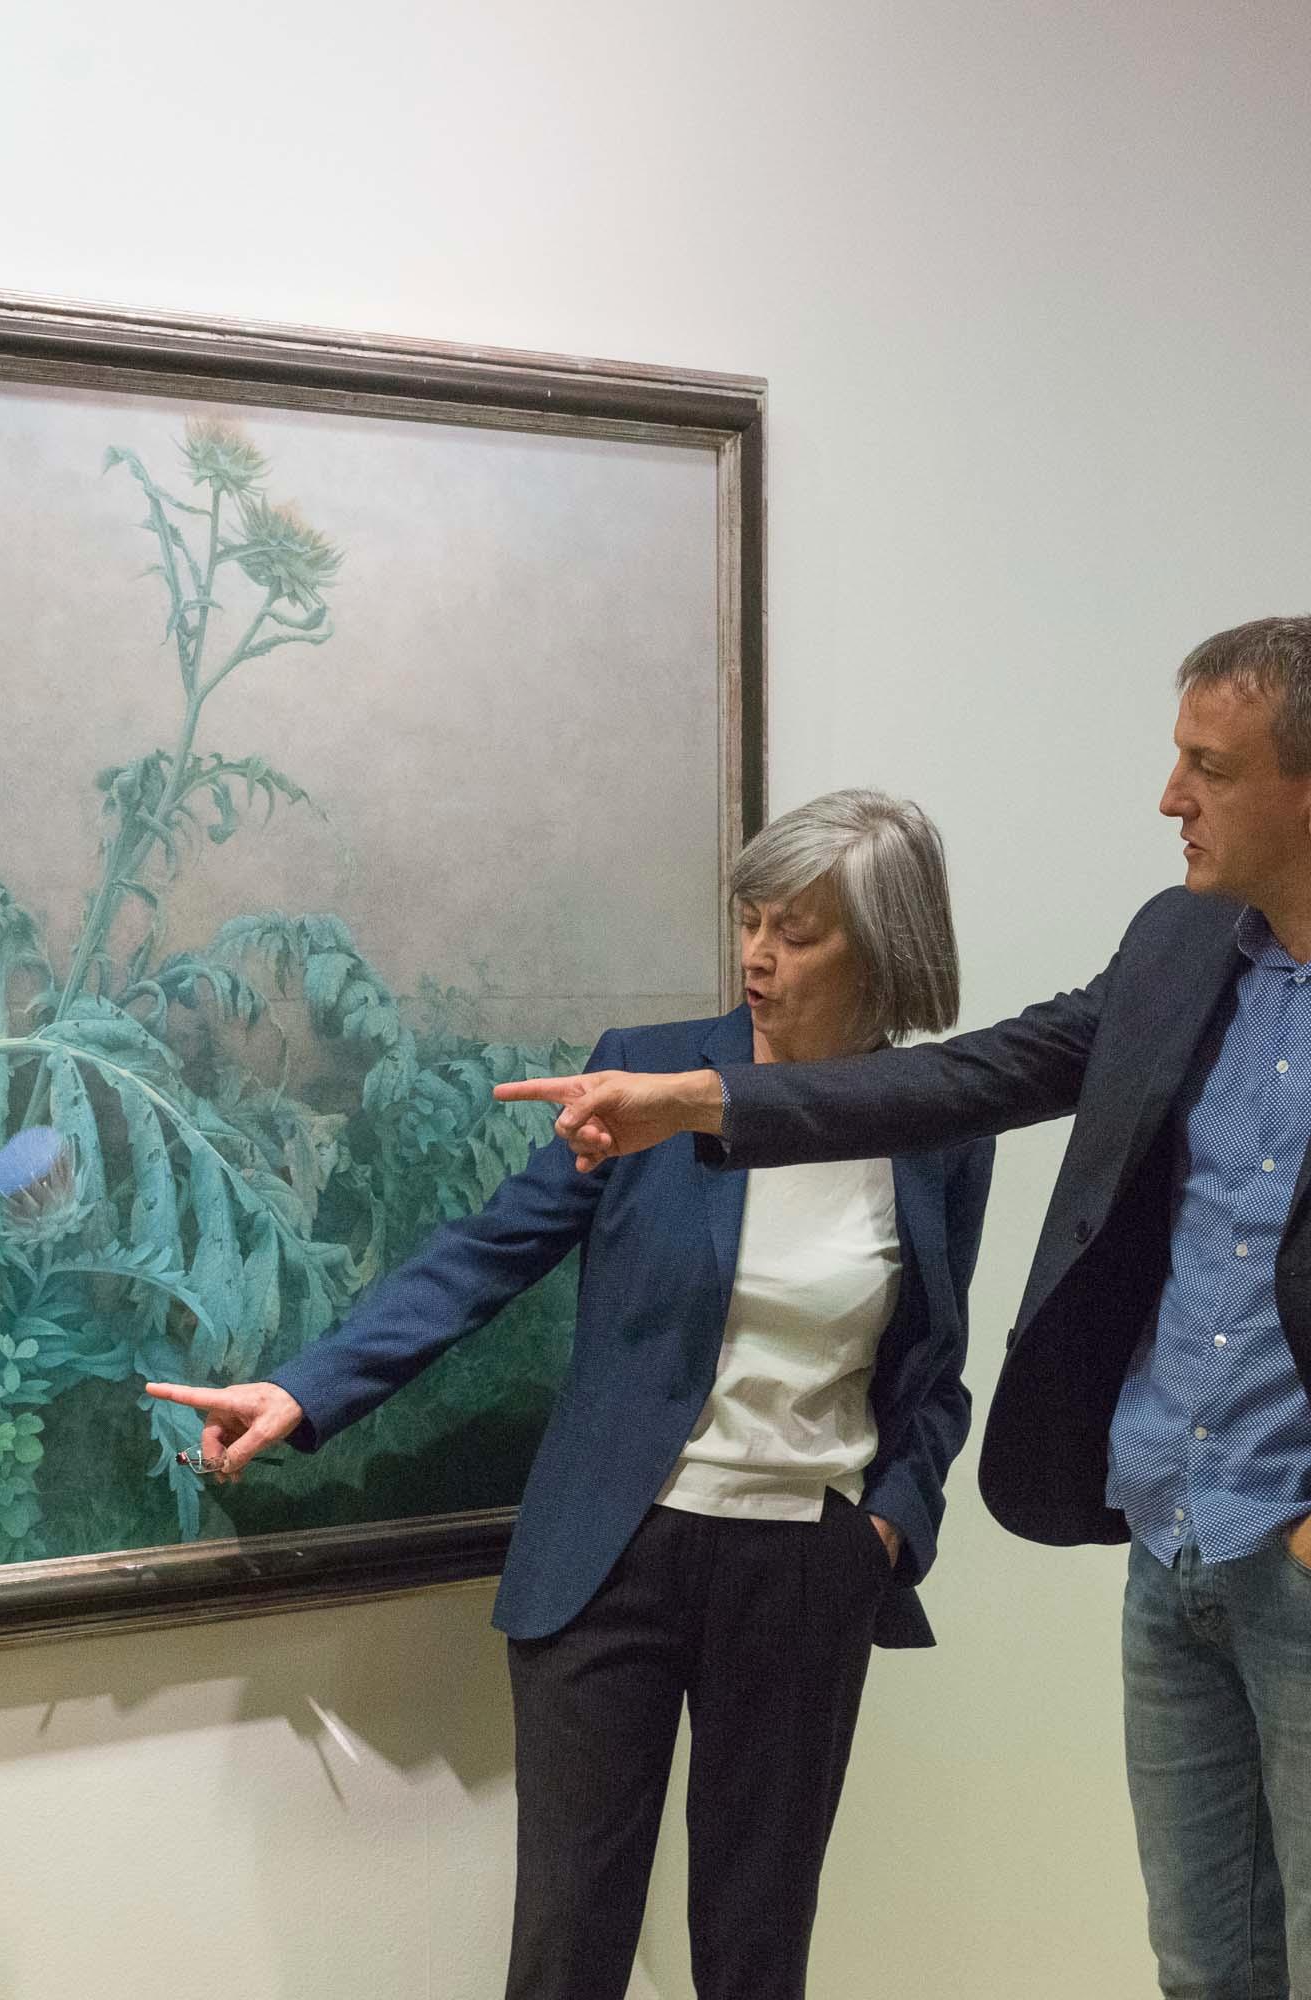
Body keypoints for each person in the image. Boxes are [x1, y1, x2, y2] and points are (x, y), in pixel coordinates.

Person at [502, 617, 1311, 2000]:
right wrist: (703, 1100)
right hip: (1175, 1539)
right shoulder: (1179, 940)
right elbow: (976, 1074)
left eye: (1208, 769)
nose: (1170, 797)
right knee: (1205, 1969)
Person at [147, 789, 992, 2000]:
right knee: (567, 1946)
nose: (758, 954)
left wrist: (893, 1521)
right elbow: (489, 1250)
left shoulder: (942, 1124)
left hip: (805, 1570)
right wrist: (303, 1387)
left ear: (885, 947)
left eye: (798, 931)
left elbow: (933, 1366)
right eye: (751, 919)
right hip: (614, 1554)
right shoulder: (646, 1072)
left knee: (756, 1954)